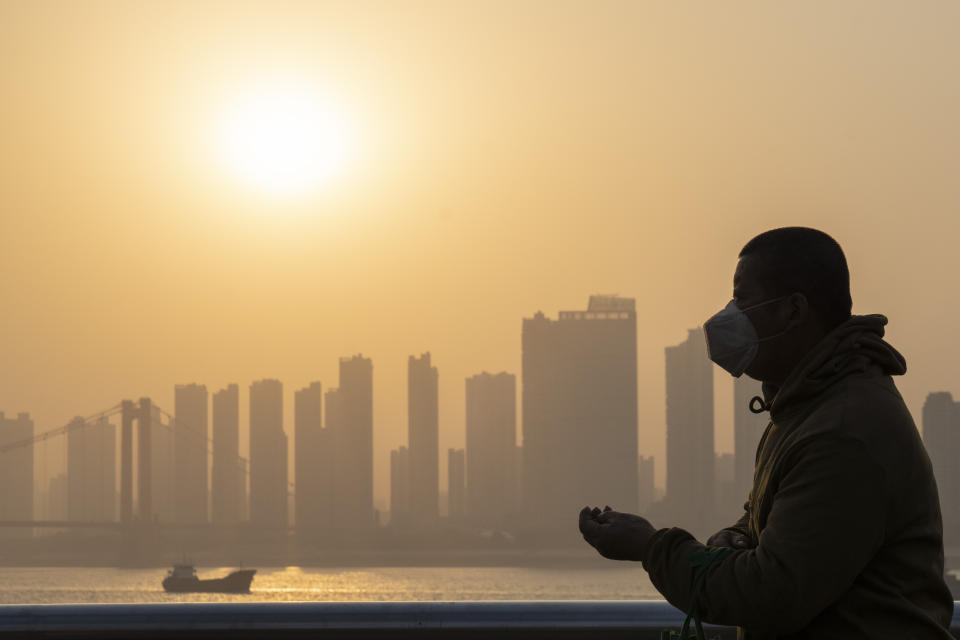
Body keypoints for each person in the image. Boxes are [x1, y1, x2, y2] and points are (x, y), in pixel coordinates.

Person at [579, 227, 954, 638]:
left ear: (792, 311)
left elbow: (770, 593)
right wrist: (737, 536)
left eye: (742, 299)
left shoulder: (842, 432)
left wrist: (651, 548)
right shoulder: (804, 409)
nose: (728, 316)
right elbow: (776, 518)